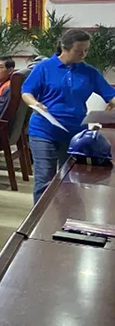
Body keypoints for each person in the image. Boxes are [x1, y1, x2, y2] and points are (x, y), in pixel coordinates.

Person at [22, 29, 115, 202]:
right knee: (44, 180)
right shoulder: (44, 68)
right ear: (65, 48)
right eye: (79, 51)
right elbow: (26, 92)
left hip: (75, 133)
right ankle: (39, 218)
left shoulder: (89, 72)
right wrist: (35, 103)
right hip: (44, 129)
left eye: (86, 50)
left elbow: (110, 95)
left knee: (71, 180)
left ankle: (66, 215)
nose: (83, 54)